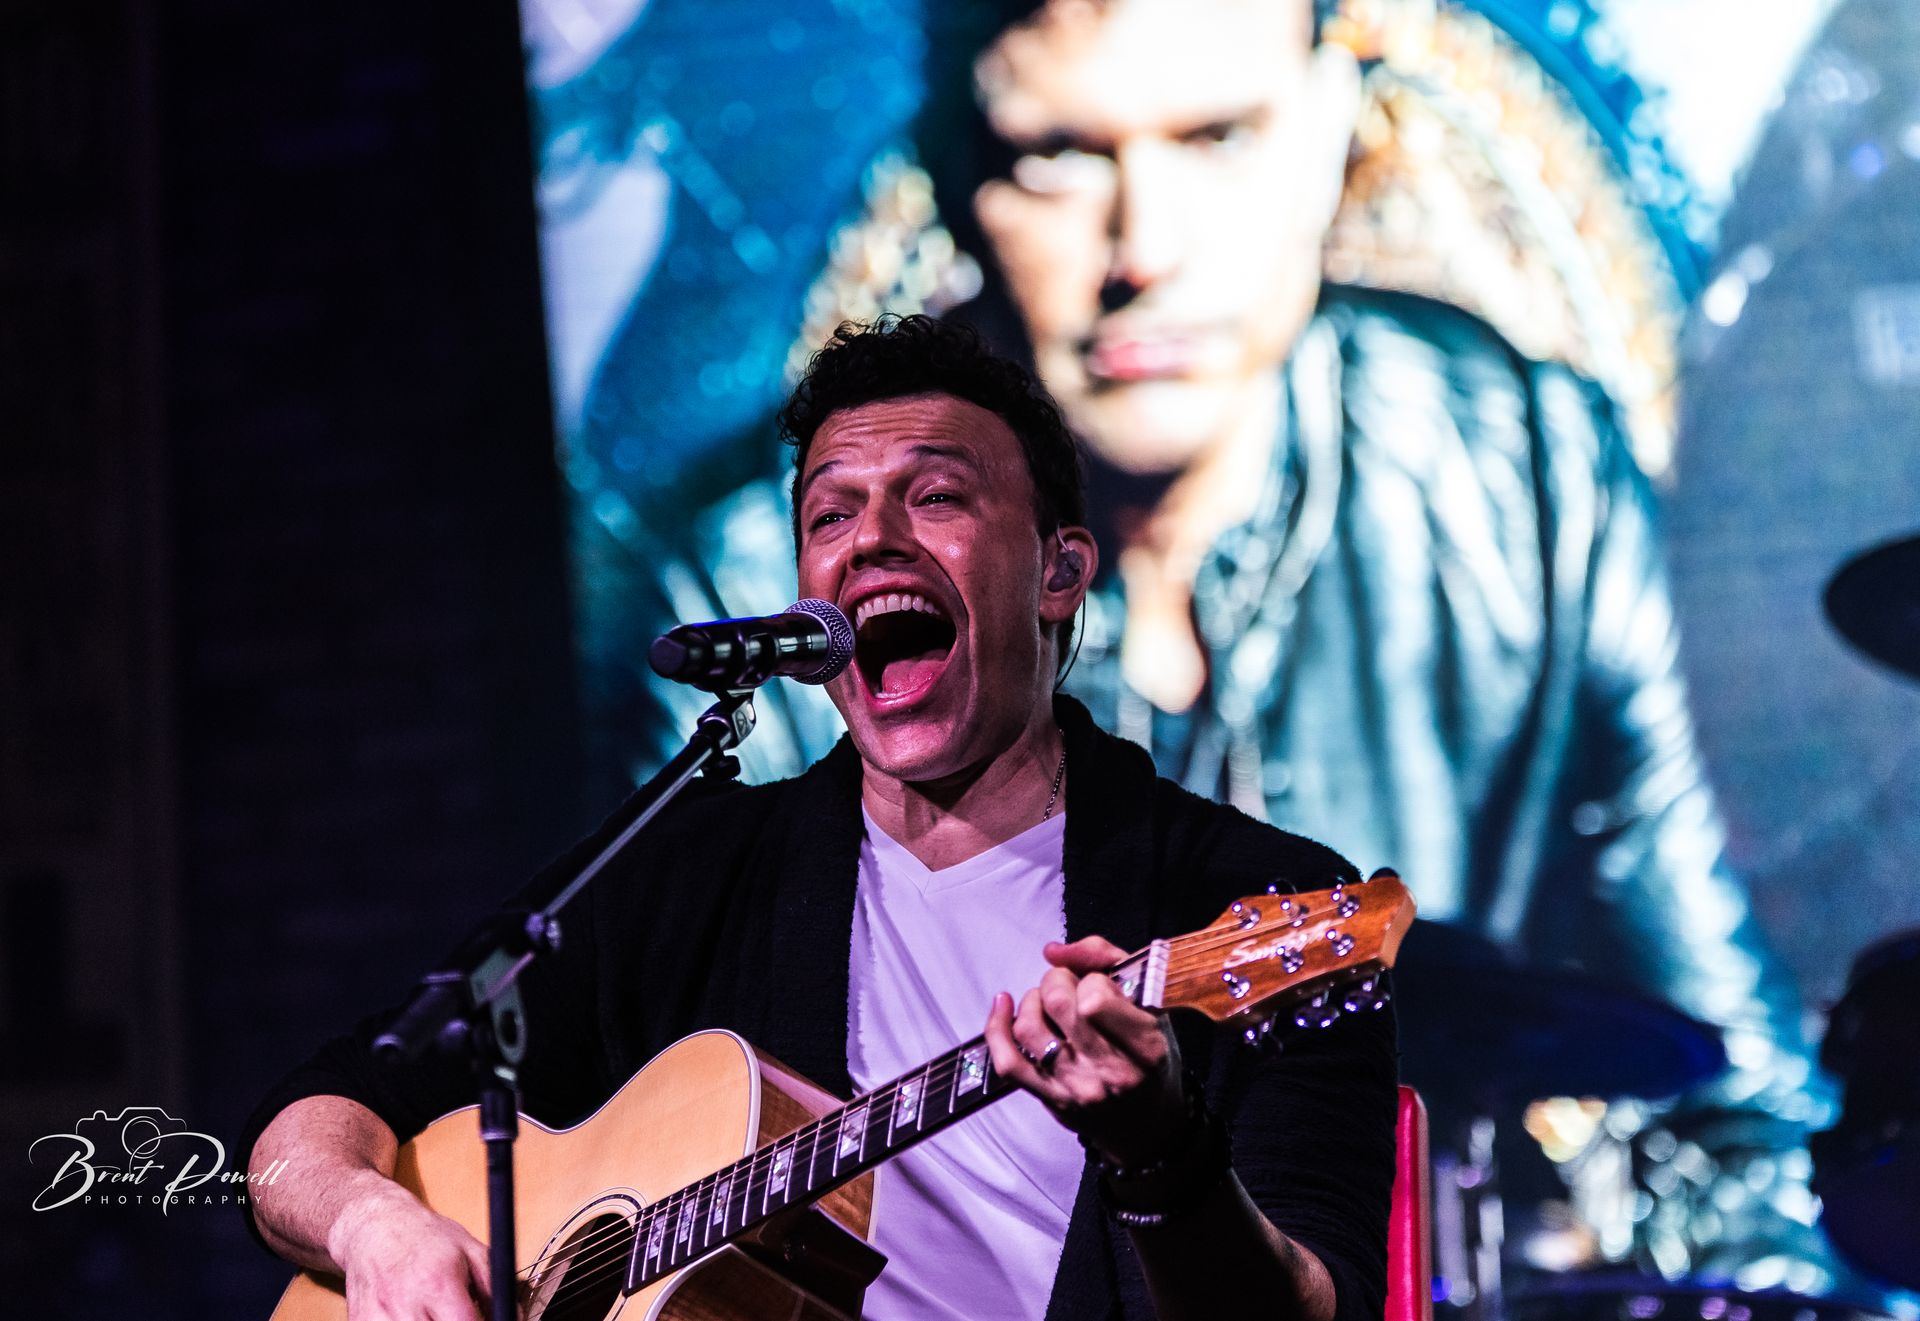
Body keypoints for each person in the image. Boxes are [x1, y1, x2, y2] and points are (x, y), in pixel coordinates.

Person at [239, 315, 1399, 1321]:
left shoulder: (1254, 903)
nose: (873, 538)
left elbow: (1315, 1305)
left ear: (1059, 573)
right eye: (831, 514)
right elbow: (306, 1129)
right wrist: (374, 1227)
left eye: (936, 496)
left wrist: (1162, 1152)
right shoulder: (690, 871)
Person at [932, 0, 1822, 1281]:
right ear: (956, 179)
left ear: (1331, 131)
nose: (1146, 248)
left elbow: (1740, 1111)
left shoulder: (1532, 479)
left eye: (1220, 137)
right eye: (1059, 156)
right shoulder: (771, 602)